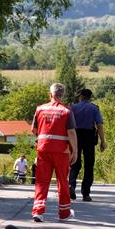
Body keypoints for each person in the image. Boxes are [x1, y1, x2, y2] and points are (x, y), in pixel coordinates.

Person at [31, 83, 78, 222]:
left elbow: (34, 130)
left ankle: (38, 212)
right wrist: (74, 150)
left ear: (50, 94)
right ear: (62, 95)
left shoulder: (39, 109)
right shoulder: (66, 111)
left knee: (42, 181)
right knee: (62, 181)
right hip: (61, 151)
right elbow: (71, 132)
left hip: (43, 149)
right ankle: (64, 213)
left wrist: (43, 138)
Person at [68, 88, 107, 202]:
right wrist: (102, 141)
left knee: (75, 162)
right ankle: (86, 193)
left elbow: (68, 125)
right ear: (90, 97)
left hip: (75, 136)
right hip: (89, 136)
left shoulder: (73, 108)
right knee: (89, 165)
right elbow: (99, 125)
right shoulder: (94, 108)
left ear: (80, 96)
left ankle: (71, 185)